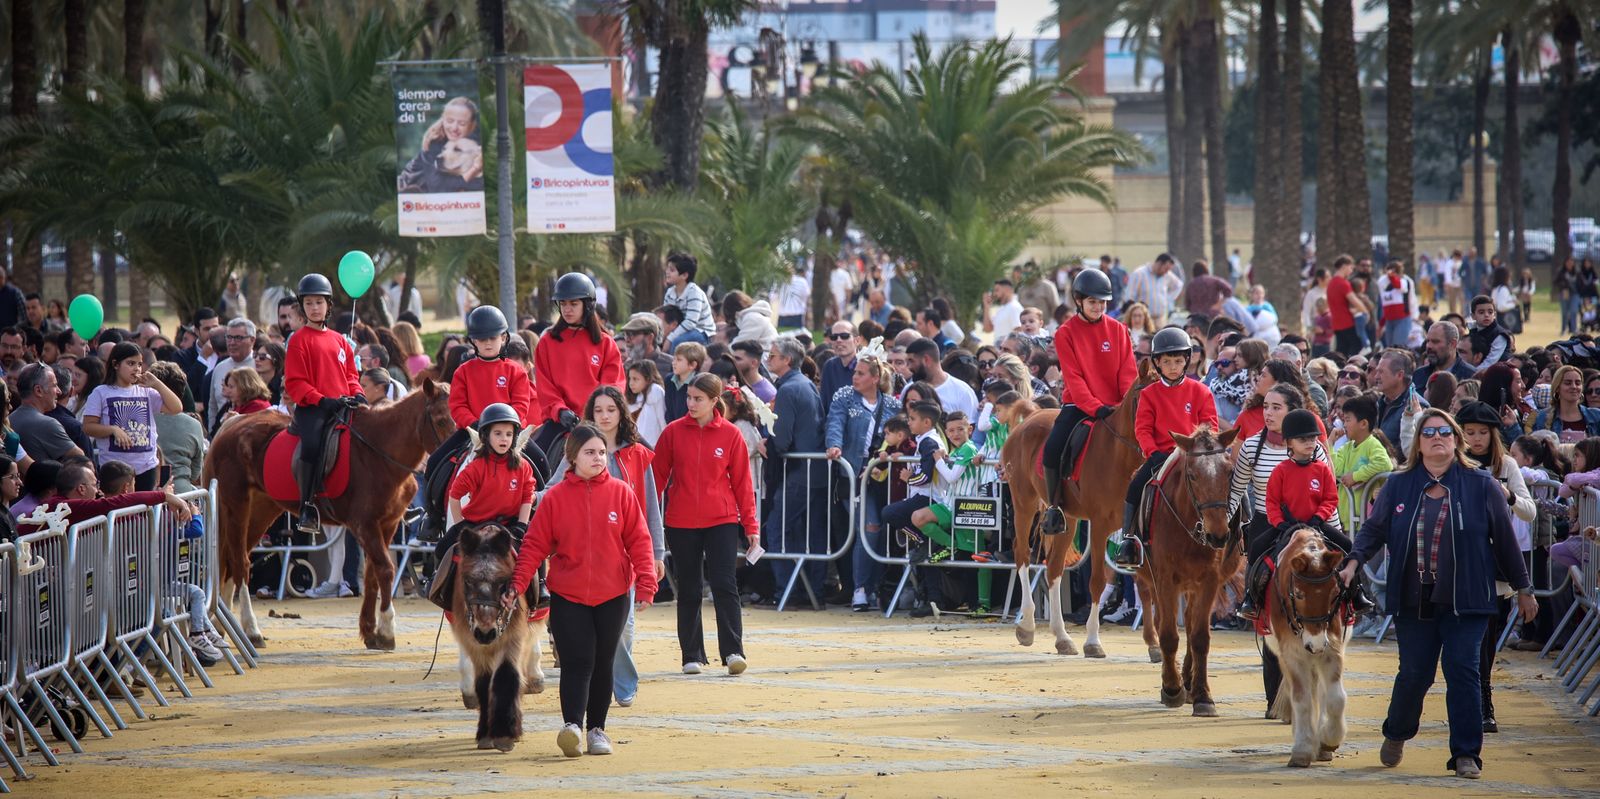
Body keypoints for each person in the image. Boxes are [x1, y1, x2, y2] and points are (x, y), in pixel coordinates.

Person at [1340, 408, 1536, 780]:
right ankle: (1397, 731)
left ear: (1456, 439)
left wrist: (1524, 588)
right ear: (1418, 443)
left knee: (1463, 671)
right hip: (1414, 598)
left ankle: (1466, 754)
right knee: (1415, 674)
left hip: (1468, 599)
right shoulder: (1398, 484)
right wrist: (1353, 561)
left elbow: (1505, 541)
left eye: (1444, 432)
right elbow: (1374, 529)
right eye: (1428, 432)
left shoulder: (1482, 484)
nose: (1436, 438)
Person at [507, 423, 657, 758]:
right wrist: (518, 583)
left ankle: (597, 730)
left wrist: (647, 582)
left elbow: (639, 540)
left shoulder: (622, 493)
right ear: (573, 457)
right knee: (577, 661)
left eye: (602, 452)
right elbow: (534, 546)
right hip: (568, 595)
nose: (598, 458)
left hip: (614, 594)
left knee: (604, 661)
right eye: (590, 452)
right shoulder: (555, 498)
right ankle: (572, 726)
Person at [543, 386, 664, 708]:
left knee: (624, 628)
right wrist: (528, 497)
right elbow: (553, 489)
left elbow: (652, 508)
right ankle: (602, 683)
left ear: (622, 412)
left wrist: (657, 553)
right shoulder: (577, 449)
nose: (605, 416)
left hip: (627, 554)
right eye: (598, 410)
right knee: (597, 630)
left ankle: (623, 683)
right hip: (583, 555)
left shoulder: (638, 453)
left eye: (611, 409)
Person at [1227, 385, 1332, 708]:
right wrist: (1218, 529)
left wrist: (1330, 530)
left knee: (1342, 560)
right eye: (1266, 407)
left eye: (1276, 407)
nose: (1268, 413)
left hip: (1313, 524)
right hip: (1270, 524)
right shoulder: (1252, 447)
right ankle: (1252, 600)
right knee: (1259, 567)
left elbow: (1329, 493)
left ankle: (1356, 595)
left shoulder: (1317, 450)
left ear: (1292, 412)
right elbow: (1236, 492)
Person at [651, 373, 759, 676]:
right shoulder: (672, 432)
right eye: (689, 397)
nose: (691, 403)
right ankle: (692, 655)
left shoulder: (731, 434)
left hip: (722, 520)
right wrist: (644, 520)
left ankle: (734, 651)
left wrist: (751, 527)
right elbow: (656, 479)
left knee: (725, 584)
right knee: (689, 587)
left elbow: (743, 484)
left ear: (714, 401)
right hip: (680, 521)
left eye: (698, 398)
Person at [1455, 401, 1537, 733]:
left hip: (1495, 562)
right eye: (1469, 432)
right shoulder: (1453, 464)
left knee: (1487, 635)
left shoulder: (1507, 465)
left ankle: (1484, 699)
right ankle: (1467, 696)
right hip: (1459, 560)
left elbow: (1530, 510)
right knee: (1461, 637)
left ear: (1493, 434)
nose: (1476, 439)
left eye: (1482, 433)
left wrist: (1508, 496)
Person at [420, 305, 533, 540]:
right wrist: (476, 426)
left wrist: (506, 427)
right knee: (435, 462)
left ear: (503, 338)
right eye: (482, 339)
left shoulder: (516, 371)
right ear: (473, 341)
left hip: (508, 433)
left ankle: (536, 514)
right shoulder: (463, 371)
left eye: (493, 337)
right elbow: (457, 406)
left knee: (541, 463)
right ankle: (433, 516)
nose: (488, 343)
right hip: (472, 432)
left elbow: (521, 404)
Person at [1039, 268, 1137, 535]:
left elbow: (1128, 373)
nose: (1098, 307)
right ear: (1079, 301)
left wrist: (1123, 406)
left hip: (1116, 406)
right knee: (1052, 449)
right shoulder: (1065, 333)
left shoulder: (1119, 330)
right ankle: (1054, 508)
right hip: (1079, 405)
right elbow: (1074, 379)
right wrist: (1096, 407)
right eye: (1093, 301)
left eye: (1103, 302)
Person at [1116, 327, 1219, 567]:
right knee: (1135, 486)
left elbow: (1210, 427)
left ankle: (1241, 530)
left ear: (1187, 361)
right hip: (1161, 456)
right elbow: (1142, 429)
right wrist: (1153, 453)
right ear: (1157, 364)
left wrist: (1198, 453)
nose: (1173, 367)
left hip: (1195, 457)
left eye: (1178, 361)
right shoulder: (1149, 394)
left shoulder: (1201, 391)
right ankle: (1129, 540)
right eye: (1167, 362)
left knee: (1227, 483)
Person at [283, 273, 364, 534]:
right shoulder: (298, 340)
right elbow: (296, 382)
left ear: (328, 305)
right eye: (308, 303)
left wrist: (358, 393)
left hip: (343, 405)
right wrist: (321, 399)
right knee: (312, 446)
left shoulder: (341, 340)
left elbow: (351, 375)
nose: (314, 308)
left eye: (319, 302)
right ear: (302, 307)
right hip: (314, 408)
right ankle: (307, 506)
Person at [761, 337, 828, 599]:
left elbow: (782, 439)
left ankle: (786, 591)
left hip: (799, 471)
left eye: (773, 355)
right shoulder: (804, 384)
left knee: (777, 528)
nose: (769, 359)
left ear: (786, 360)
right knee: (807, 533)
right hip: (811, 470)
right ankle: (808, 591)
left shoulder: (789, 389)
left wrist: (767, 442)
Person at [532, 273, 624, 458]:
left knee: (644, 451)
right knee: (531, 459)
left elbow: (613, 386)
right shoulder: (547, 342)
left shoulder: (606, 343)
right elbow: (544, 386)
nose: (567, 309)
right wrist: (560, 411)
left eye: (573, 304)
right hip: (560, 421)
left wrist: (595, 412)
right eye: (563, 304)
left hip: (599, 419)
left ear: (587, 305)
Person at [1332, 395, 1392, 530]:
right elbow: (1336, 470)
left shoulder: (1372, 444)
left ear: (1363, 424)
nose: (1344, 425)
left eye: (1348, 420)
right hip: (1347, 521)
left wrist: (1355, 476)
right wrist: (1330, 444)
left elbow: (1384, 463)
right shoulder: (1346, 447)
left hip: (1366, 522)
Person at [149, 362, 207, 493]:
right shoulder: (194, 424)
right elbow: (196, 471)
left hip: (146, 493)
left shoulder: (140, 418)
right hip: (182, 492)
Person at [13, 363, 84, 462]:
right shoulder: (47, 424)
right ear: (38, 390)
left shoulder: (9, 420)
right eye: (54, 385)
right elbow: (82, 461)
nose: (59, 391)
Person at [1530, 365, 1600, 444]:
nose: (1574, 386)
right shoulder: (1542, 417)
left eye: (1578, 383)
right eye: (1568, 383)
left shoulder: (1596, 416)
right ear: (1557, 388)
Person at [662, 253, 716, 348]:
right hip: (681, 329)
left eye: (672, 270)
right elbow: (666, 317)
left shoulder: (694, 292)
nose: (667, 272)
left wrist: (670, 338)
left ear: (684, 275)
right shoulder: (670, 293)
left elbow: (691, 322)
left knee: (677, 342)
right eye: (667, 269)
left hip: (701, 331)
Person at [1412, 321, 1476, 392]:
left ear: (1452, 344)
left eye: (1435, 341)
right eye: (1428, 341)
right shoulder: (1418, 375)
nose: (1429, 346)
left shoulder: (1471, 377)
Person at [1124, 253, 1184, 326]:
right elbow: (1129, 295)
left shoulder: (1167, 275)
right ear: (1159, 264)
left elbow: (1179, 285)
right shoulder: (1139, 273)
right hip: (1143, 319)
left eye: (1168, 270)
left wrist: (1168, 299)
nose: (1166, 272)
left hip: (1160, 319)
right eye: (1166, 269)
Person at [819, 321, 859, 415]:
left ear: (857, 340)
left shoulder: (867, 366)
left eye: (844, 336)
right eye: (834, 337)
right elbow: (824, 404)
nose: (839, 340)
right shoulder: (829, 366)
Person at [624, 360, 667, 447]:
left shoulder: (655, 390)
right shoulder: (635, 396)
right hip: (637, 445)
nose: (631, 383)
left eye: (635, 379)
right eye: (630, 379)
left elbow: (662, 419)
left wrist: (666, 442)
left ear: (647, 379)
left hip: (654, 445)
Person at [619, 313, 673, 378]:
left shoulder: (671, 364)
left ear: (650, 338)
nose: (627, 340)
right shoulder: (627, 366)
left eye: (631, 334)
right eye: (625, 334)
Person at [1466, 295, 1512, 372]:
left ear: (1494, 315)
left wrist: (1470, 372)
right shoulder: (1473, 330)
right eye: (1481, 312)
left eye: (1490, 312)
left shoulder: (1499, 335)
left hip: (1498, 373)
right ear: (1473, 316)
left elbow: (1490, 361)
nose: (1486, 315)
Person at [663, 342, 704, 424]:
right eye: (674, 359)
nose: (673, 362)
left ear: (692, 365)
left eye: (679, 360)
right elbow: (669, 409)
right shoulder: (669, 380)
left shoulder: (701, 383)